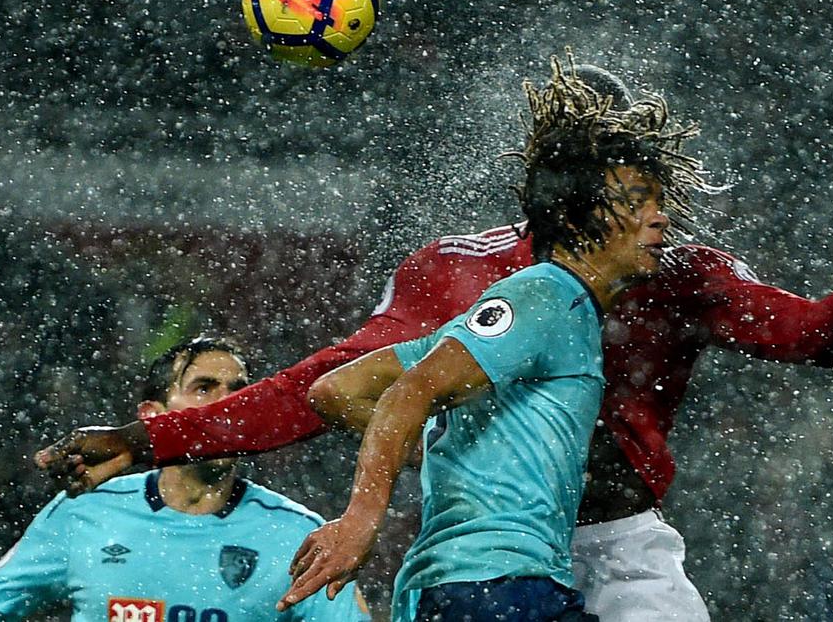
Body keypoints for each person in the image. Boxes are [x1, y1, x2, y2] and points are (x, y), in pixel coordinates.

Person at [35, 62, 833, 620]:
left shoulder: (676, 268)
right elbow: (322, 386)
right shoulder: (456, 270)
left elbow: (810, 337)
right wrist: (151, 441)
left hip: (618, 546)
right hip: (489, 557)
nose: (644, 200)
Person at [278, 64, 682, 621]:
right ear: (579, 212)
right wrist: (362, 519)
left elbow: (337, 390)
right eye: (638, 203)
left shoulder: (535, 311)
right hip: (493, 588)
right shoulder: (545, 296)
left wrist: (451, 456)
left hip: (489, 586)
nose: (659, 220)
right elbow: (407, 393)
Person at [0, 336, 370, 622]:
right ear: (153, 416)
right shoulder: (86, 513)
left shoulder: (297, 534)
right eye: (204, 387)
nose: (228, 404)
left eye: (240, 390)